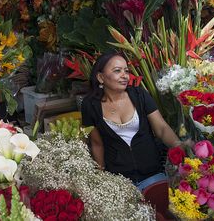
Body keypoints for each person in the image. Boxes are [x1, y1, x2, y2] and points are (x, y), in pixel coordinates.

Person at [81, 52, 192, 192]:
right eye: (117, 71)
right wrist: (100, 178)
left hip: (153, 175)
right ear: (101, 77)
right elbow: (97, 144)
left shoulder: (139, 95)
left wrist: (178, 146)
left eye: (126, 71)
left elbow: (162, 128)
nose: (124, 75)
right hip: (118, 182)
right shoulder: (89, 105)